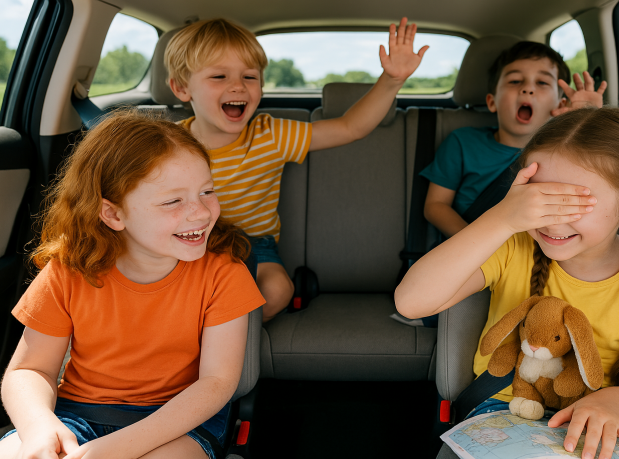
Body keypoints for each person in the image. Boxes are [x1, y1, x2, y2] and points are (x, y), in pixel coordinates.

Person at [396, 107, 619, 459]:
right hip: (509, 411)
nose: (553, 221)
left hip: (616, 422)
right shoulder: (512, 248)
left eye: (575, 203)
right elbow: (411, 302)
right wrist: (503, 218)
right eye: (539, 199)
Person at [0, 111, 264, 459]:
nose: (201, 212)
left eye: (207, 191)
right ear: (113, 214)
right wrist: (39, 427)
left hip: (179, 421)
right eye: (173, 201)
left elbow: (215, 384)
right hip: (77, 413)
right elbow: (30, 369)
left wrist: (109, 451)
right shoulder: (68, 271)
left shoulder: (223, 274)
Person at [165, 17, 428, 321]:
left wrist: (391, 80)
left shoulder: (271, 135)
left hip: (253, 246)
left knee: (278, 290)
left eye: (250, 77)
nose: (238, 86)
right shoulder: (167, 145)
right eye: (219, 76)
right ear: (182, 88)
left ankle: (228, 333)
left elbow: (350, 127)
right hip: (186, 239)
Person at [421, 41, 608, 238]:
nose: (527, 88)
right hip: (472, 247)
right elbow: (435, 205)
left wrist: (585, 120)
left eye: (542, 82)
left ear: (560, 105)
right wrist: (476, 243)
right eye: (515, 81)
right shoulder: (462, 143)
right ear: (492, 102)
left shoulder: (567, 151)